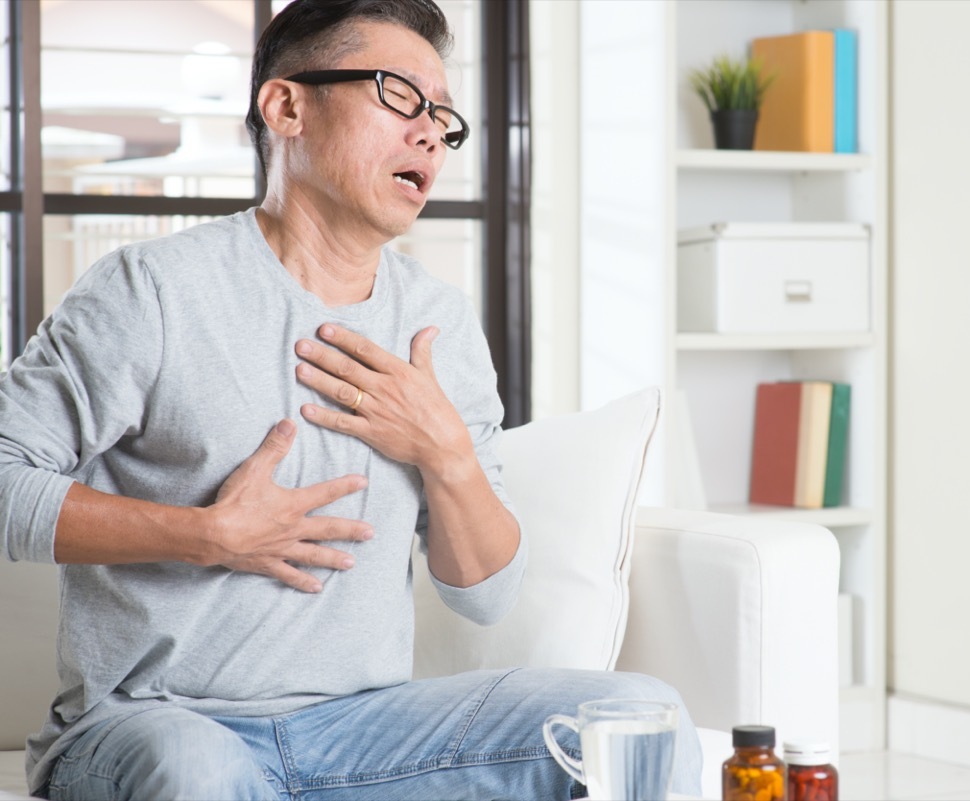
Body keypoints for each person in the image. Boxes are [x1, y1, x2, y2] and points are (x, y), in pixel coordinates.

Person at [0, 1, 702, 798]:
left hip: (361, 729)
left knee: (640, 714)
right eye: (398, 95)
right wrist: (205, 535)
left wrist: (446, 451)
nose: (431, 132)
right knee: (199, 770)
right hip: (153, 722)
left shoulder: (439, 325)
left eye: (442, 115)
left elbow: (486, 593)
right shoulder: (152, 292)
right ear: (287, 106)